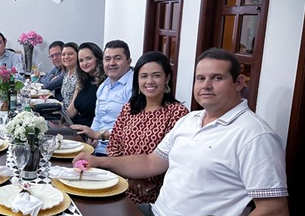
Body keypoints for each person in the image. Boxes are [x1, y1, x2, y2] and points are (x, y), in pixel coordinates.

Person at [74, 48, 289, 216]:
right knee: (79, 208)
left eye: (217, 78)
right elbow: (150, 162)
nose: (206, 85)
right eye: (200, 78)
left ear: (239, 82)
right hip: (155, 210)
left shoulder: (255, 135)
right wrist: (98, 161)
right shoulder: (190, 120)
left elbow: (274, 209)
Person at [82, 51, 189, 203]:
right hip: (121, 184)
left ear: (167, 78)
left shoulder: (177, 113)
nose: (149, 81)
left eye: (156, 75)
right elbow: (114, 147)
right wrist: (128, 178)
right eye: (144, 76)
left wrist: (138, 179)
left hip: (156, 193)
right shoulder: (129, 108)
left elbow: (172, 159)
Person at [70, 40, 134, 156]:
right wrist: (91, 137)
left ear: (128, 61)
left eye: (117, 58)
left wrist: (98, 135)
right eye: (108, 59)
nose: (112, 63)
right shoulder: (104, 86)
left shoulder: (135, 86)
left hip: (120, 152)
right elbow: (98, 118)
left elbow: (133, 129)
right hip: (99, 148)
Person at [67, 42, 106, 126]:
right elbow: (71, 111)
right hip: (76, 127)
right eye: (81, 60)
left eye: (88, 58)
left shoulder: (106, 83)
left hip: (92, 132)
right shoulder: (82, 81)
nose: (84, 63)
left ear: (98, 58)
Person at [60, 42, 79, 107]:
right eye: (63, 54)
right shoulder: (66, 74)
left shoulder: (80, 76)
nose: (66, 57)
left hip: (72, 115)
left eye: (70, 54)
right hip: (64, 111)